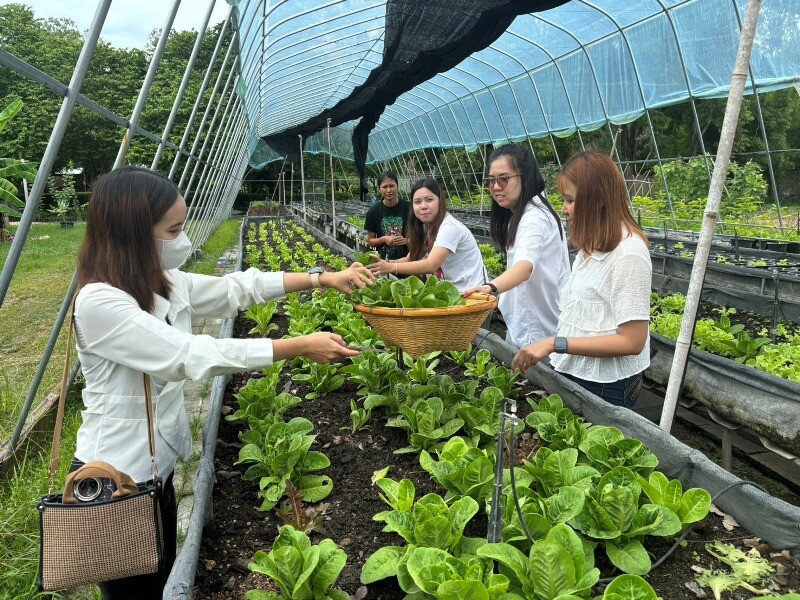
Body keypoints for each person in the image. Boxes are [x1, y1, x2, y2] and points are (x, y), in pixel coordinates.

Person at [71, 166, 375, 599]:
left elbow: (236, 288)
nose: (183, 239)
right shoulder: (100, 302)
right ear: (135, 234)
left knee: (160, 579)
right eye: (173, 229)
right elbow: (190, 355)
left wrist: (322, 278)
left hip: (157, 467)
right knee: (132, 592)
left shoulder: (159, 281)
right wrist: (297, 345)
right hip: (115, 478)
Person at [510, 151, 651, 408]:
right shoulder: (592, 246)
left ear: (596, 199)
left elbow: (633, 341)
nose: (563, 209)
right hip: (578, 372)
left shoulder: (629, 253)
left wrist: (555, 343)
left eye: (570, 200)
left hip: (607, 384)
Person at [463, 143, 570, 347]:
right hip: (533, 324)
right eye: (491, 180)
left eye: (504, 179)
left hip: (538, 332)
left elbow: (524, 267)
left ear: (525, 177)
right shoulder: (525, 212)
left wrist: (490, 287)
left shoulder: (534, 218)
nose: (495, 187)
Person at [367, 177, 486, 291]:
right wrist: (382, 265)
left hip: (473, 292)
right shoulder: (427, 227)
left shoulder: (449, 227)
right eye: (417, 202)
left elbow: (431, 265)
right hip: (454, 291)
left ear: (440, 200)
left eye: (429, 200)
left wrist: (391, 267)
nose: (423, 206)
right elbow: (411, 258)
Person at [364, 171, 410, 261]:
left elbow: (421, 237)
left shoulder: (409, 208)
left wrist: (406, 240)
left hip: (407, 261)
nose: (389, 190)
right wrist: (384, 239)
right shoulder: (373, 212)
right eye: (384, 187)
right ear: (380, 189)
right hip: (383, 261)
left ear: (397, 186)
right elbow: (371, 241)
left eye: (392, 186)